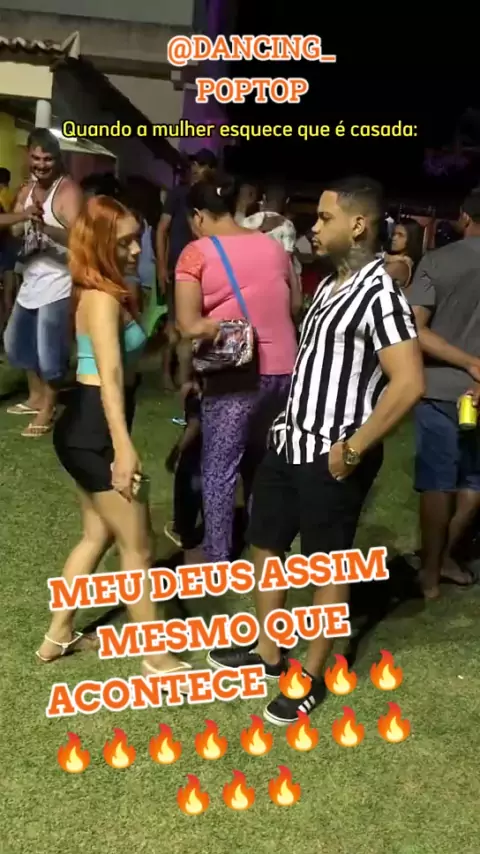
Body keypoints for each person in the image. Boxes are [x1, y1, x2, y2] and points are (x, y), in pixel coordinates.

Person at [207, 176, 425, 725]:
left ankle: (309, 674)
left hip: (334, 454)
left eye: (326, 218)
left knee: (327, 566)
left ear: (358, 225)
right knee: (265, 545)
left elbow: (408, 383)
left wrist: (354, 448)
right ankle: (268, 651)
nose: (314, 225)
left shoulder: (381, 295)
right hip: (291, 440)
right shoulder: (330, 284)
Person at [36, 195, 190, 680]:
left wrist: (168, 337)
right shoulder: (101, 299)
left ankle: (56, 636)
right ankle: (155, 657)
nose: (135, 250)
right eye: (125, 242)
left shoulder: (102, 290)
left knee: (97, 534)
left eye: (136, 240)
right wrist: (123, 450)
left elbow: (126, 361)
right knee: (139, 548)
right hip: (94, 433)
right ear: (100, 242)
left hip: (83, 431)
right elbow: (108, 379)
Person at [175, 175, 299, 565]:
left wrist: (218, 326)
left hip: (235, 375)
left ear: (198, 216)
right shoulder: (273, 246)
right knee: (261, 462)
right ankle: (263, 545)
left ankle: (217, 555)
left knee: (219, 467)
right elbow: (295, 305)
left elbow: (188, 324)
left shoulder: (195, 253)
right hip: (284, 370)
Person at [408, 187, 480, 599]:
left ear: (466, 218)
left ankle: (431, 573)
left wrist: (468, 362)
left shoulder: (438, 261)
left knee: (438, 480)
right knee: (474, 478)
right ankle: (446, 557)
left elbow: (414, 330)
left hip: (440, 388)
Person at [3, 128, 82, 435]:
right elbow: (13, 231)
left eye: (47, 159)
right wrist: (24, 217)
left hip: (59, 282)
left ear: (57, 159)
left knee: (51, 354)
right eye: (36, 158)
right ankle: (36, 397)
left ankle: (48, 409)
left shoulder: (68, 191)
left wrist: (46, 230)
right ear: (29, 156)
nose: (41, 165)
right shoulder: (27, 189)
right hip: (31, 279)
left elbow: (80, 239)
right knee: (16, 343)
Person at [156, 149, 217, 390]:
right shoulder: (178, 194)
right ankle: (169, 374)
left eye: (202, 164)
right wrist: (162, 266)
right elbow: (162, 229)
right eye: (194, 163)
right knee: (174, 324)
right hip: (176, 268)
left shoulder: (211, 198)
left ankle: (187, 377)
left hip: (203, 269)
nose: (196, 168)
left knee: (193, 325)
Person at [164, 382, 203, 554]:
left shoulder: (196, 397)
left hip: (196, 455)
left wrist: (176, 451)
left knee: (188, 487)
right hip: (217, 451)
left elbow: (194, 426)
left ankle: (184, 533)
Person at [384, 217, 424, 289]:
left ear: (411, 239)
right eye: (394, 234)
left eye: (400, 235)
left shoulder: (399, 266)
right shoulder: (395, 259)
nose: (394, 238)